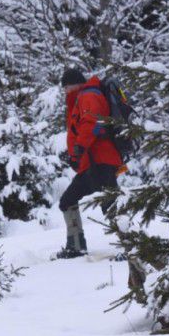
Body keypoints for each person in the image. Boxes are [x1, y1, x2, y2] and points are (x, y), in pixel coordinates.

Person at [56, 68, 123, 259]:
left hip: (101, 160)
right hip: (91, 163)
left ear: (76, 84)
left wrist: (79, 148)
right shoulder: (81, 98)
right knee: (68, 201)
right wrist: (76, 157)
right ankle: (76, 247)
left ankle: (130, 246)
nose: (66, 91)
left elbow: (92, 123)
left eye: (67, 87)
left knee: (110, 204)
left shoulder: (88, 95)